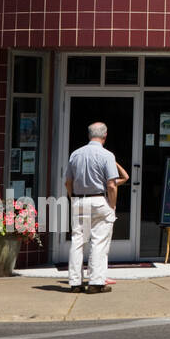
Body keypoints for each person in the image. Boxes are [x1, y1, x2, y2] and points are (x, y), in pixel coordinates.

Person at [64, 122, 120, 294]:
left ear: (89, 135)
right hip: (98, 200)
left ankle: (75, 282)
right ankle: (96, 282)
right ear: (105, 135)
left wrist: (73, 197)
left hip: (79, 200)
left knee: (77, 241)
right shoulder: (107, 155)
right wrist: (112, 205)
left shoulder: (76, 154)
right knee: (99, 242)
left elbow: (68, 181)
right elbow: (111, 184)